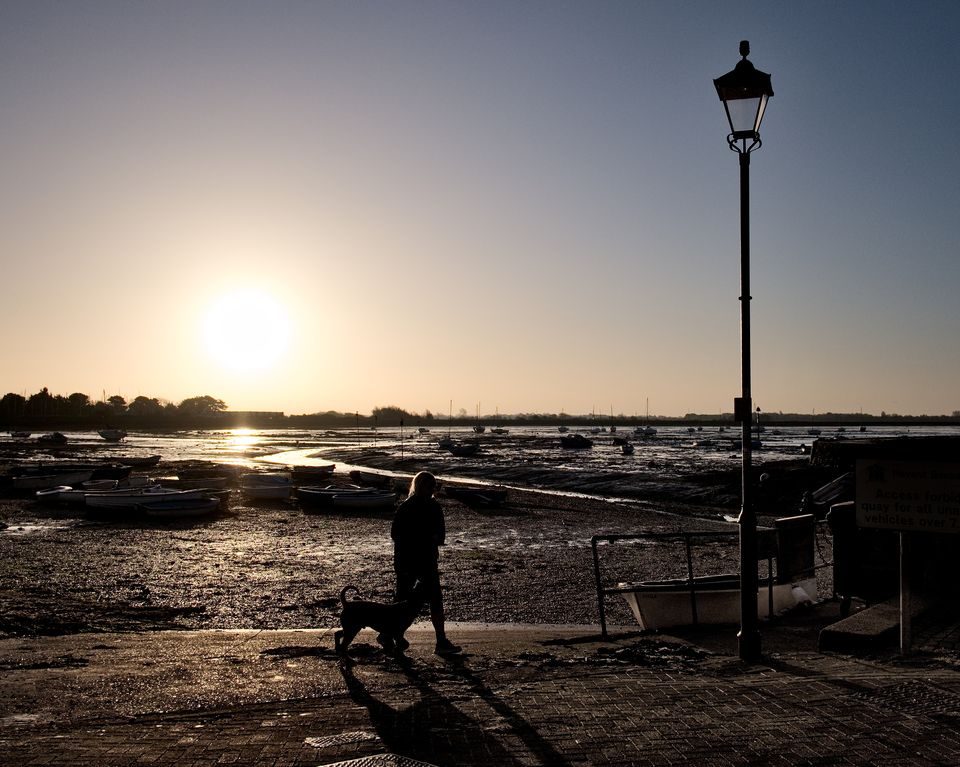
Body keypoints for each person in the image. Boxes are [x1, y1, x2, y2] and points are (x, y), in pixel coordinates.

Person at [391, 470, 461, 655]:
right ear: (422, 486)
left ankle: (439, 640)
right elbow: (397, 536)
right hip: (413, 562)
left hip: (423, 561)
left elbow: (438, 536)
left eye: (433, 487)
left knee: (425, 601)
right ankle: (395, 637)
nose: (432, 490)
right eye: (430, 486)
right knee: (408, 603)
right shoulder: (413, 507)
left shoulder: (423, 507)